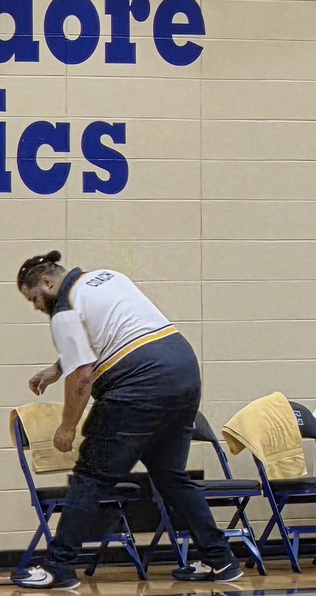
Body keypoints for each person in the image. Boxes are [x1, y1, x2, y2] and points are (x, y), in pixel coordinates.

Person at [10, 251, 242, 590]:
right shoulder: (106, 277)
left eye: (34, 298)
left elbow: (84, 377)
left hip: (139, 385)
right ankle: (221, 560)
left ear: (47, 282)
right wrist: (57, 367)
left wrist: (67, 426)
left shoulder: (65, 310)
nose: (36, 306)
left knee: (90, 477)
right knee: (172, 477)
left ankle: (57, 568)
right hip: (183, 373)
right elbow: (110, 332)